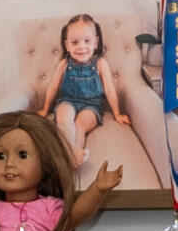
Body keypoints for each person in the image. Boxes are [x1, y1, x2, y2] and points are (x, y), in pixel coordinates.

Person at [34, 13, 128, 177]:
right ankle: (71, 150)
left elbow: (109, 89)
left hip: (91, 106)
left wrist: (117, 113)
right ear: (67, 45)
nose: (81, 47)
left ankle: (75, 149)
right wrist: (44, 109)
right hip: (67, 100)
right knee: (64, 118)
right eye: (75, 42)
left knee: (80, 125)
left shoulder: (100, 64)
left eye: (87, 41)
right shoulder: (64, 65)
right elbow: (53, 88)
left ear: (96, 42)